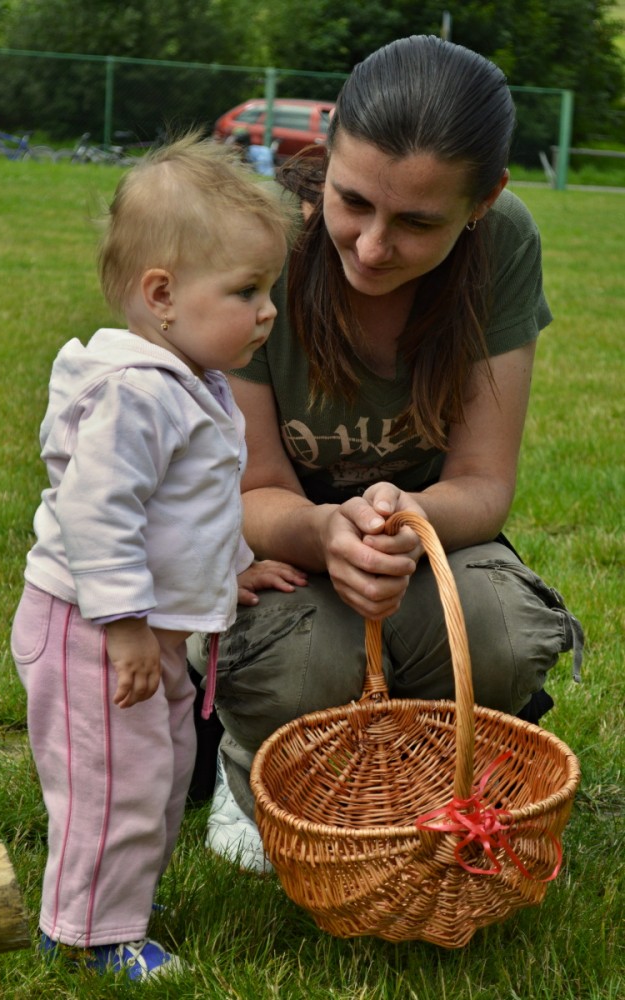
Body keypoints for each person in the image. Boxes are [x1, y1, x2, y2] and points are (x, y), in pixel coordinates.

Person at [187, 35, 584, 872]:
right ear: (325, 153)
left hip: (427, 540)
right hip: (277, 544)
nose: (371, 246)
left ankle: (426, 772)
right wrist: (323, 531)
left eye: (416, 222)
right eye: (352, 201)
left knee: (502, 637)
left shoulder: (504, 242)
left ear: (482, 202)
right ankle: (248, 764)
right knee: (302, 667)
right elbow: (252, 490)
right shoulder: (258, 239)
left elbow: (481, 482)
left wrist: (403, 519)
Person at [10, 132, 305, 980]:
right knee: (116, 782)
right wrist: (126, 624)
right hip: (96, 631)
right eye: (245, 290)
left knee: (162, 771)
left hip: (144, 633)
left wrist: (228, 567)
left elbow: (188, 509)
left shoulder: (190, 382)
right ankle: (86, 936)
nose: (267, 311)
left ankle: (115, 902)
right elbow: (97, 512)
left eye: (269, 289)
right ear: (162, 294)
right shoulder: (135, 392)